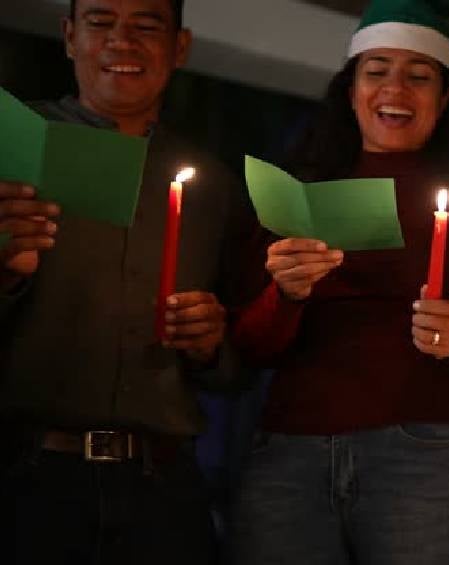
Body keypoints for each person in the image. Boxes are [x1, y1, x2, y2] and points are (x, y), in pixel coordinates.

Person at [228, 0, 449, 563]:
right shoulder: (293, 195)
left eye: (418, 76)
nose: (395, 88)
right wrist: (287, 296)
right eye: (376, 72)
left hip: (426, 459)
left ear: (444, 99)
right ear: (350, 90)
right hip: (290, 457)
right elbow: (249, 346)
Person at [0, 0, 257, 563]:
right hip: (27, 482)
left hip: (162, 491)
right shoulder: (12, 150)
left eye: (146, 26)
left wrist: (213, 343)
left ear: (180, 47)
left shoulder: (210, 184)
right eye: (99, 22)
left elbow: (240, 362)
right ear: (69, 36)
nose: (123, 41)